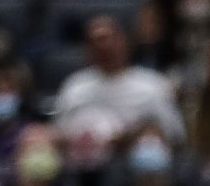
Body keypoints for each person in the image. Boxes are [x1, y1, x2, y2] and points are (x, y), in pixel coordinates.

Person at [54, 15, 186, 145]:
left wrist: (137, 136)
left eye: (110, 39)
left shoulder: (153, 85)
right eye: (97, 41)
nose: (105, 46)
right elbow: (57, 135)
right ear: (88, 50)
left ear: (124, 42)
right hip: (85, 160)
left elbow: (175, 135)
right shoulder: (75, 87)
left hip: (139, 160)